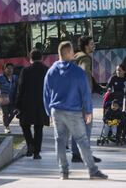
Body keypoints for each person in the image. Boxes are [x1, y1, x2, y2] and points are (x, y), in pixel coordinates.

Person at [44, 41, 107, 180]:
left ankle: (63, 172)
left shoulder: (51, 71)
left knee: (60, 141)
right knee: (82, 140)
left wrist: (49, 112)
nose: (74, 53)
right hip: (73, 111)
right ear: (67, 52)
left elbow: (46, 93)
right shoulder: (77, 71)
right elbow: (85, 93)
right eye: (72, 51)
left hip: (56, 111)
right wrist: (88, 111)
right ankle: (92, 170)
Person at [15, 49, 49, 159]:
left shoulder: (26, 71)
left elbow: (20, 88)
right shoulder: (47, 70)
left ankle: (30, 143)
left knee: (25, 125)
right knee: (39, 128)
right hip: (42, 104)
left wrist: (17, 105)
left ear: (30, 58)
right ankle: (37, 153)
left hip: (27, 103)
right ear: (42, 58)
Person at [71, 36, 101, 163]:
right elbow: (83, 73)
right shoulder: (85, 58)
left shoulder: (76, 56)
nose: (93, 45)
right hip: (83, 97)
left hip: (73, 96)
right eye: (91, 44)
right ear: (85, 46)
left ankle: (76, 154)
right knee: (87, 126)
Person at [0, 63, 18, 134]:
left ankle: (6, 124)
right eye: (8, 68)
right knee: (5, 113)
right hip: (3, 98)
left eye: (11, 68)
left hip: (12, 98)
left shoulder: (15, 77)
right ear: (4, 69)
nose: (10, 70)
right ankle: (6, 127)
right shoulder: (0, 77)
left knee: (13, 113)